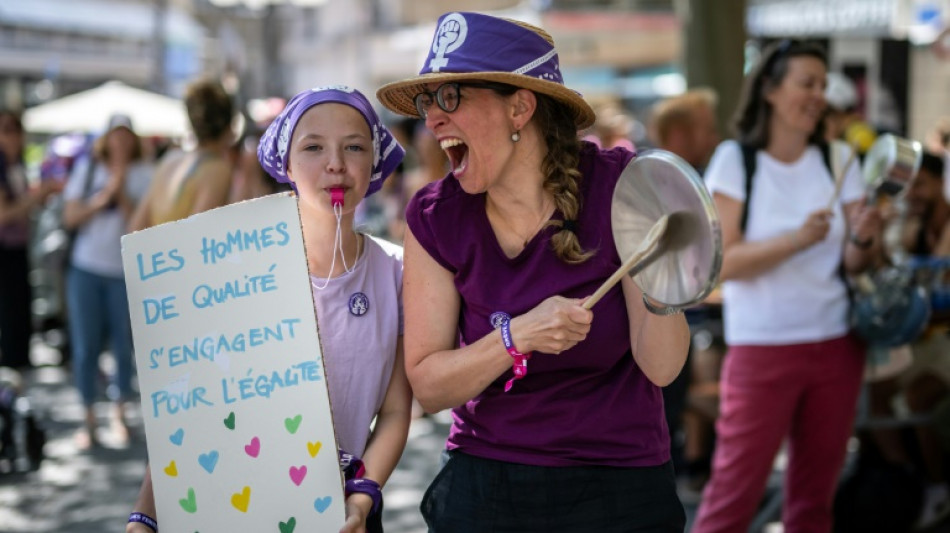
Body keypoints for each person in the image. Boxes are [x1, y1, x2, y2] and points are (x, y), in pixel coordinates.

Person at [376, 12, 689, 531]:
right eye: (429, 102)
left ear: (520, 107)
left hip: (620, 482)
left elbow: (663, 367)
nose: (431, 120)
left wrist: (664, 264)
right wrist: (518, 334)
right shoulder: (435, 215)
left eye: (450, 97)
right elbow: (429, 388)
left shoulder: (623, 189)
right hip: (488, 483)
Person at [125, 86, 411, 533]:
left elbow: (395, 411)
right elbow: (189, 407)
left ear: (375, 161)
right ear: (287, 165)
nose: (335, 162)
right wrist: (145, 516)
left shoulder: (397, 272)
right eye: (313, 147)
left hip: (345, 515)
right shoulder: (234, 269)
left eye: (354, 146)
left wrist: (361, 499)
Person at [691, 40, 882, 533]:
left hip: (838, 345)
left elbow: (856, 264)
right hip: (763, 349)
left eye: (823, 85)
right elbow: (719, 264)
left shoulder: (840, 158)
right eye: (807, 83)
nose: (819, 95)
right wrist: (795, 240)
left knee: (814, 503)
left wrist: (864, 235)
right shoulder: (735, 160)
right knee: (733, 498)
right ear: (771, 91)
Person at [648, 88, 724, 492]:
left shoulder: (687, 181)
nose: (714, 139)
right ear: (678, 134)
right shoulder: (656, 186)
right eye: (706, 130)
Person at [62, 113, 154, 448]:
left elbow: (143, 227)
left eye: (126, 135)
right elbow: (70, 217)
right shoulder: (87, 168)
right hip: (86, 269)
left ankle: (119, 413)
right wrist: (104, 196)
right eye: (115, 135)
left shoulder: (146, 174)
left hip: (123, 273)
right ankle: (88, 417)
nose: (121, 142)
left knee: (123, 347)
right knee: (85, 346)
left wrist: (123, 193)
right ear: (106, 139)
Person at [128, 78, 234, 232]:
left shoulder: (170, 159)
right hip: (179, 254)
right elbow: (199, 237)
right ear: (230, 128)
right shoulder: (217, 169)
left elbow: (135, 227)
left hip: (159, 253)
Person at [0, 110, 57, 370]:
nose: (11, 136)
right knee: (11, 314)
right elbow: (4, 215)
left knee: (22, 310)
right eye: (5, 129)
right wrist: (37, 196)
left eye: (15, 129)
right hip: (5, 251)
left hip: (20, 247)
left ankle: (19, 364)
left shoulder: (18, 166)